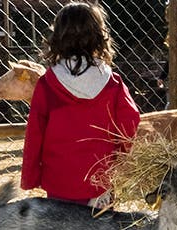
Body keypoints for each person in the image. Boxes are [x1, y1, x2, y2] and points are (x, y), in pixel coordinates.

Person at [21, 2, 140, 207]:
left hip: (59, 183)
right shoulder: (113, 83)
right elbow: (130, 124)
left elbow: (35, 134)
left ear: (58, 37)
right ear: (99, 36)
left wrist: (31, 177)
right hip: (101, 182)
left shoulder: (47, 84)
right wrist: (121, 159)